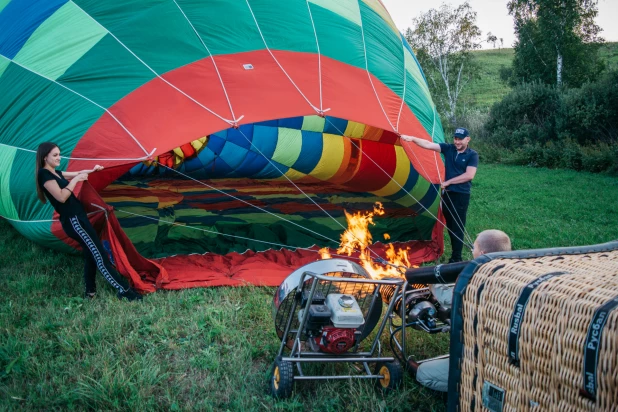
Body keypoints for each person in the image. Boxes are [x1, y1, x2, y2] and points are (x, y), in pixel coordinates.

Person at [36, 142, 142, 301]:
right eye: (55, 155)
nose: (59, 157)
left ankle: (90, 292)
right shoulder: (44, 175)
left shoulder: (55, 172)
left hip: (79, 218)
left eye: (59, 154)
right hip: (74, 222)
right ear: (45, 157)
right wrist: (77, 179)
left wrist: (93, 170)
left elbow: (78, 173)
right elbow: (61, 197)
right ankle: (124, 290)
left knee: (90, 255)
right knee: (100, 255)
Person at [413, 229, 511, 392]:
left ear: (483, 253)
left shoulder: (478, 283)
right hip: (506, 354)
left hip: (484, 358)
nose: (471, 251)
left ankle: (473, 388)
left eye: (474, 248)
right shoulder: (512, 273)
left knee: (423, 373)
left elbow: (448, 296)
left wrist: (429, 280)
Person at [401, 128, 479, 263]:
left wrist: (448, 182)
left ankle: (456, 258)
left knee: (458, 226)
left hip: (460, 195)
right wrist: (412, 138)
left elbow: (469, 175)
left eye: (460, 139)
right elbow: (427, 144)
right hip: (447, 194)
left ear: (468, 139)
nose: (457, 142)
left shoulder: (472, 155)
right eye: (455, 138)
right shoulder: (449, 149)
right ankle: (455, 255)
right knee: (449, 225)